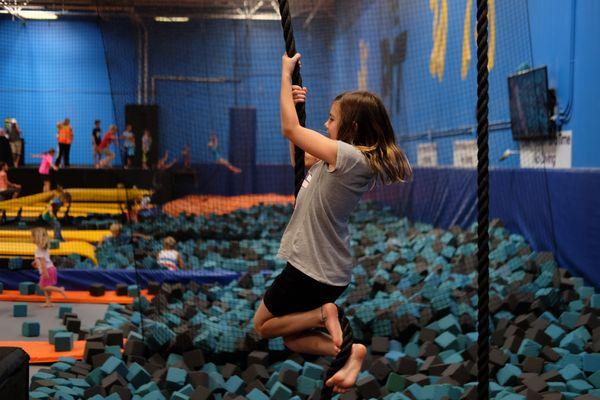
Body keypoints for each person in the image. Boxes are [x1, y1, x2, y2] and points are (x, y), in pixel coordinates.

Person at [252, 53, 412, 394]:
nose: (325, 124)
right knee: (292, 338)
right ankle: (349, 351)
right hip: (326, 270)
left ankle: (325, 316)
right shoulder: (341, 159)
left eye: (331, 119)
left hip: (312, 269)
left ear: (351, 129)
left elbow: (289, 130)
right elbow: (299, 155)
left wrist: (283, 74)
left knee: (263, 325)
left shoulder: (350, 158)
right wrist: (294, 104)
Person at [31, 227, 67, 307]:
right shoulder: (44, 248)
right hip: (52, 268)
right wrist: (35, 262)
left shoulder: (39, 250)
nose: (31, 238)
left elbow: (43, 262)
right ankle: (48, 302)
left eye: (32, 236)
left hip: (47, 270)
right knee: (47, 288)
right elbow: (44, 259)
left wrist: (45, 272)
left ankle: (59, 290)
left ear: (36, 238)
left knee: (43, 286)